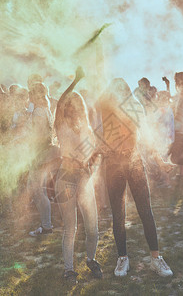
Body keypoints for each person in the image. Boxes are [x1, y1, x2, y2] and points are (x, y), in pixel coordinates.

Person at [97, 77, 173, 277]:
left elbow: (147, 138)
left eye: (122, 90)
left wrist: (161, 161)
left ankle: (156, 259)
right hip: (113, 165)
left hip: (135, 162)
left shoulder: (134, 107)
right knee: (118, 214)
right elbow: (97, 136)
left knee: (145, 211)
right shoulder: (104, 110)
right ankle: (123, 259)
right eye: (115, 90)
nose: (119, 94)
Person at [54, 67, 102, 284]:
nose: (71, 107)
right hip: (65, 178)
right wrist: (76, 81)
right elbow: (59, 102)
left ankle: (91, 260)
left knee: (93, 227)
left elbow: (94, 151)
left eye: (76, 103)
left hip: (84, 178)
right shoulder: (60, 124)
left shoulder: (87, 127)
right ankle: (69, 270)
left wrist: (92, 167)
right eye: (68, 104)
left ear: (80, 106)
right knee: (70, 227)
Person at [28, 81, 61, 236]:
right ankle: (46, 224)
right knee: (39, 190)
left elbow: (39, 136)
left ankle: (46, 225)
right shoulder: (45, 109)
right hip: (46, 152)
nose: (29, 95)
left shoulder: (39, 111)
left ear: (35, 94)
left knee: (38, 190)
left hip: (41, 153)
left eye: (31, 92)